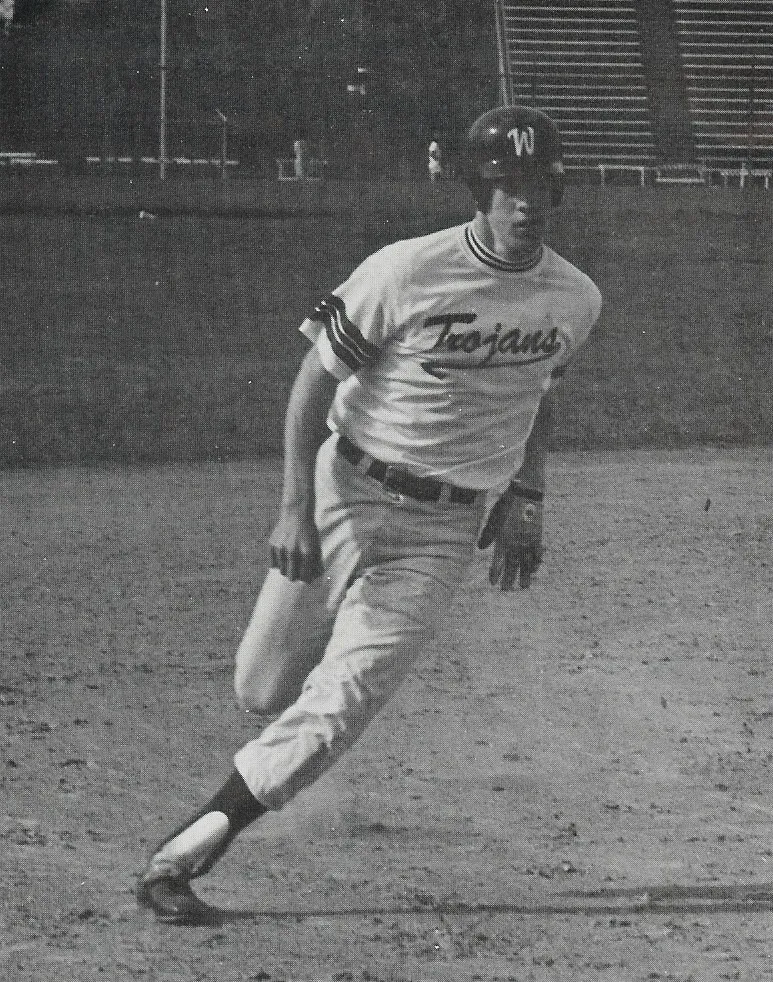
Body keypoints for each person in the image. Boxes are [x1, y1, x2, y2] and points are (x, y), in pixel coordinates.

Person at [136, 105, 602, 925]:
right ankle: (282, 746)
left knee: (348, 696)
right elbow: (313, 383)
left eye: (538, 185)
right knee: (263, 687)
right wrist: (295, 510)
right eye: (505, 186)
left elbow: (540, 398)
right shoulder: (404, 271)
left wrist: (528, 496)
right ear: (477, 191)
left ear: (557, 189)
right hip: (344, 490)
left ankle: (180, 855)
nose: (523, 203)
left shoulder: (573, 297)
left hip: (445, 529)